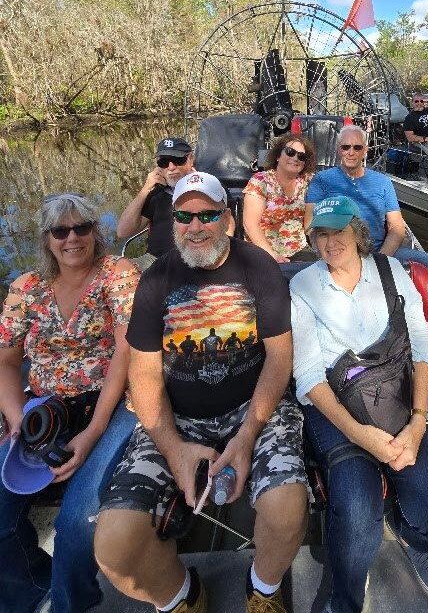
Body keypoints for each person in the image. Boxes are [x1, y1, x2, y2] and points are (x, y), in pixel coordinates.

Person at [94, 171, 309, 613]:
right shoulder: (155, 281)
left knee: (288, 506)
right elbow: (146, 375)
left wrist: (247, 436)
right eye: (185, 216)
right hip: (178, 417)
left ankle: (263, 590)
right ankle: (181, 597)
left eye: (207, 214)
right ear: (172, 221)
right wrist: (173, 449)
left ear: (227, 220)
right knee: (114, 545)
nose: (196, 226)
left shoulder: (258, 267)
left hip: (254, 408)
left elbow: (279, 359)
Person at [291, 197, 428, 613]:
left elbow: (422, 345)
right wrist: (360, 435)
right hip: (338, 406)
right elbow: (310, 374)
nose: (331, 242)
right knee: (355, 519)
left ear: (358, 232)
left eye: (339, 231)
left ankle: (411, 535)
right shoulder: (303, 286)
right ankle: (344, 598)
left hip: (400, 393)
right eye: (322, 233)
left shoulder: (392, 271)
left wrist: (419, 422)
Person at [0, 193, 139, 613]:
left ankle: (71, 603)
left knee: (76, 523)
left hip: (110, 406)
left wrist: (95, 430)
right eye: (61, 231)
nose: (72, 238)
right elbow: (7, 362)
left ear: (95, 232)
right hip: (44, 410)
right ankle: (32, 590)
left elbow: (125, 353)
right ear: (47, 239)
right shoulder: (26, 289)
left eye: (82, 228)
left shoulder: (118, 274)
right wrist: (16, 419)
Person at [305, 125, 428, 334]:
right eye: (346, 147)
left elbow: (397, 228)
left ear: (365, 150)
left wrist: (380, 259)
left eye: (357, 147)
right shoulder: (322, 180)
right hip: (340, 250)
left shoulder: (382, 182)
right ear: (338, 149)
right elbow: (310, 224)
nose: (351, 152)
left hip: (378, 249)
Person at [117, 137, 235, 270]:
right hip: (155, 261)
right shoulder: (156, 193)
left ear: (190, 159)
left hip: (198, 257)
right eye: (164, 162)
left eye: (178, 160)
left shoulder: (210, 187)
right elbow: (123, 231)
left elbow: (228, 225)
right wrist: (145, 190)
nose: (171, 167)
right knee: (117, 270)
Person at [243, 133, 317, 263]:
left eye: (301, 156)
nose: (295, 158)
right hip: (262, 249)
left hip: (299, 250)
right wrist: (273, 255)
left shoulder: (307, 182)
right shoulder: (261, 181)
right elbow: (250, 224)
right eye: (290, 152)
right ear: (278, 156)